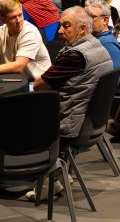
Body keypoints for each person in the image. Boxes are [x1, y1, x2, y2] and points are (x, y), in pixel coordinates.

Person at [34, 7, 113, 137]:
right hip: (91, 121)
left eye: (66, 26)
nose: (60, 31)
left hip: (68, 122)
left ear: (82, 29)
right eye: (60, 26)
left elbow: (38, 86)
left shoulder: (74, 56)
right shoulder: (99, 46)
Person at [0, 0, 52, 80]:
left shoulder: (30, 33)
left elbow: (19, 66)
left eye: (20, 15)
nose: (19, 20)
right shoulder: (0, 31)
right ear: (3, 20)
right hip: (16, 78)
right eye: (13, 17)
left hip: (37, 82)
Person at [84, 0, 120, 69]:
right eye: (84, 16)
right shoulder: (90, 36)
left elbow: (114, 74)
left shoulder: (108, 44)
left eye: (91, 17)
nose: (86, 21)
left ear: (105, 20)